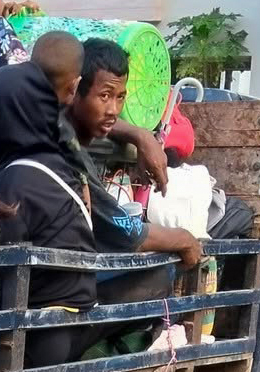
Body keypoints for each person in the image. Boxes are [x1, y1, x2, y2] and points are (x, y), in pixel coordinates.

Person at [0, 34, 103, 368]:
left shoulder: (14, 180)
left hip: (35, 340)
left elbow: (0, 276)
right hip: (61, 323)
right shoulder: (50, 161)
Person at [66, 39, 203, 299]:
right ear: (74, 90)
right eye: (104, 96)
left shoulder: (51, 125)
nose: (113, 110)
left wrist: (140, 136)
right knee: (161, 274)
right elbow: (128, 234)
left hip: (55, 274)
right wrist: (185, 238)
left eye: (120, 98)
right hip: (59, 285)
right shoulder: (67, 149)